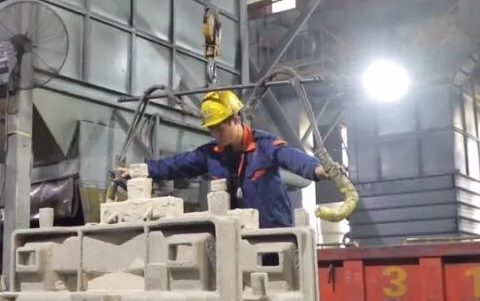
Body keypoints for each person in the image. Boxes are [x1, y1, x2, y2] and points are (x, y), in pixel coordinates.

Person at [119, 90, 330, 228]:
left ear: (235, 119)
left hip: (273, 233)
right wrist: (143, 170)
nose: (216, 134)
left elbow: (290, 157)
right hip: (235, 233)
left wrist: (316, 169)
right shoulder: (212, 154)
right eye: (211, 130)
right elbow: (177, 164)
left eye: (220, 128)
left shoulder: (263, 145)